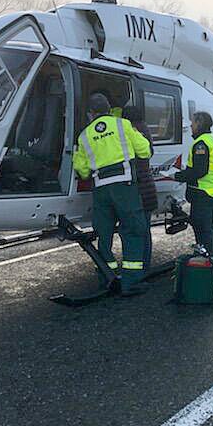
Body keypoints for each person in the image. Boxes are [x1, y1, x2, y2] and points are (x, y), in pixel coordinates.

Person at [73, 93, 151, 296]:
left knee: (104, 233)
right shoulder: (123, 125)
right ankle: (130, 282)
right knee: (134, 229)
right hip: (124, 187)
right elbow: (145, 151)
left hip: (101, 189)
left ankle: (108, 276)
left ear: (91, 114)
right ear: (109, 109)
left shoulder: (84, 136)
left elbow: (82, 170)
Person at [174, 112, 213, 256]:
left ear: (199, 123)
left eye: (193, 123)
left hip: (203, 192)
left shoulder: (201, 144)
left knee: (201, 226)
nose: (191, 126)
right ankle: (212, 250)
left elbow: (199, 171)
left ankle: (207, 256)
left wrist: (177, 176)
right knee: (211, 225)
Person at [122, 105, 158, 268]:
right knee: (145, 229)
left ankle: (139, 267)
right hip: (148, 186)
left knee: (137, 230)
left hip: (139, 187)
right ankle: (145, 263)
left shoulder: (132, 131)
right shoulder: (145, 130)